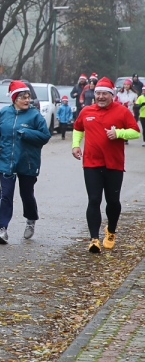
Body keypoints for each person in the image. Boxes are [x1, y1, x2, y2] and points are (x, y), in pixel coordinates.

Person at [72, 78, 140, 253]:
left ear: (112, 95)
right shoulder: (86, 111)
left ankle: (110, 230)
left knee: (113, 202)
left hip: (114, 164)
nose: (101, 97)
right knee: (94, 199)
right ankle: (94, 239)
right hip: (91, 163)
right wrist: (75, 145)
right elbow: (78, 128)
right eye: (98, 93)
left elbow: (135, 132)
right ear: (94, 94)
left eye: (104, 94)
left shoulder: (122, 111)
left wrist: (118, 133)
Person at [0, 81, 50, 244]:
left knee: (26, 194)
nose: (27, 100)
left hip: (27, 161)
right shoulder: (3, 113)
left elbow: (45, 136)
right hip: (5, 159)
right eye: (23, 97)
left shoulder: (35, 115)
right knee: (6, 194)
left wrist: (27, 133)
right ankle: (3, 230)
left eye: (28, 97)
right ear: (14, 98)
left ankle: (30, 219)